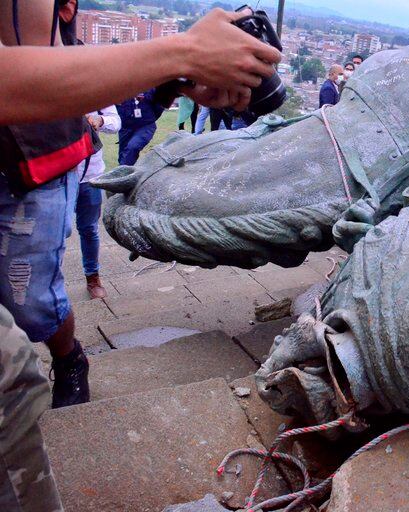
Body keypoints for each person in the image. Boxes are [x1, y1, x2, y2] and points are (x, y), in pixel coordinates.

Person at [0, 0, 281, 509]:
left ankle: (69, 358)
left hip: (32, 160)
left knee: (28, 303)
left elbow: (55, 53)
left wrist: (172, 77)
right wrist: (185, 52)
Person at [76, 106, 121, 299]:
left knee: (89, 229)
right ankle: (50, 282)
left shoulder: (95, 89)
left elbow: (116, 122)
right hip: (56, 177)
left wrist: (100, 121)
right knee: (57, 232)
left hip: (90, 175)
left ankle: (92, 278)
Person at [116, 88, 168, 165]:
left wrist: (150, 118)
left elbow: (159, 106)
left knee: (133, 147)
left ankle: (122, 172)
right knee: (123, 155)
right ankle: (126, 171)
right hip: (125, 127)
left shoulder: (151, 87)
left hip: (145, 126)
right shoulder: (120, 88)